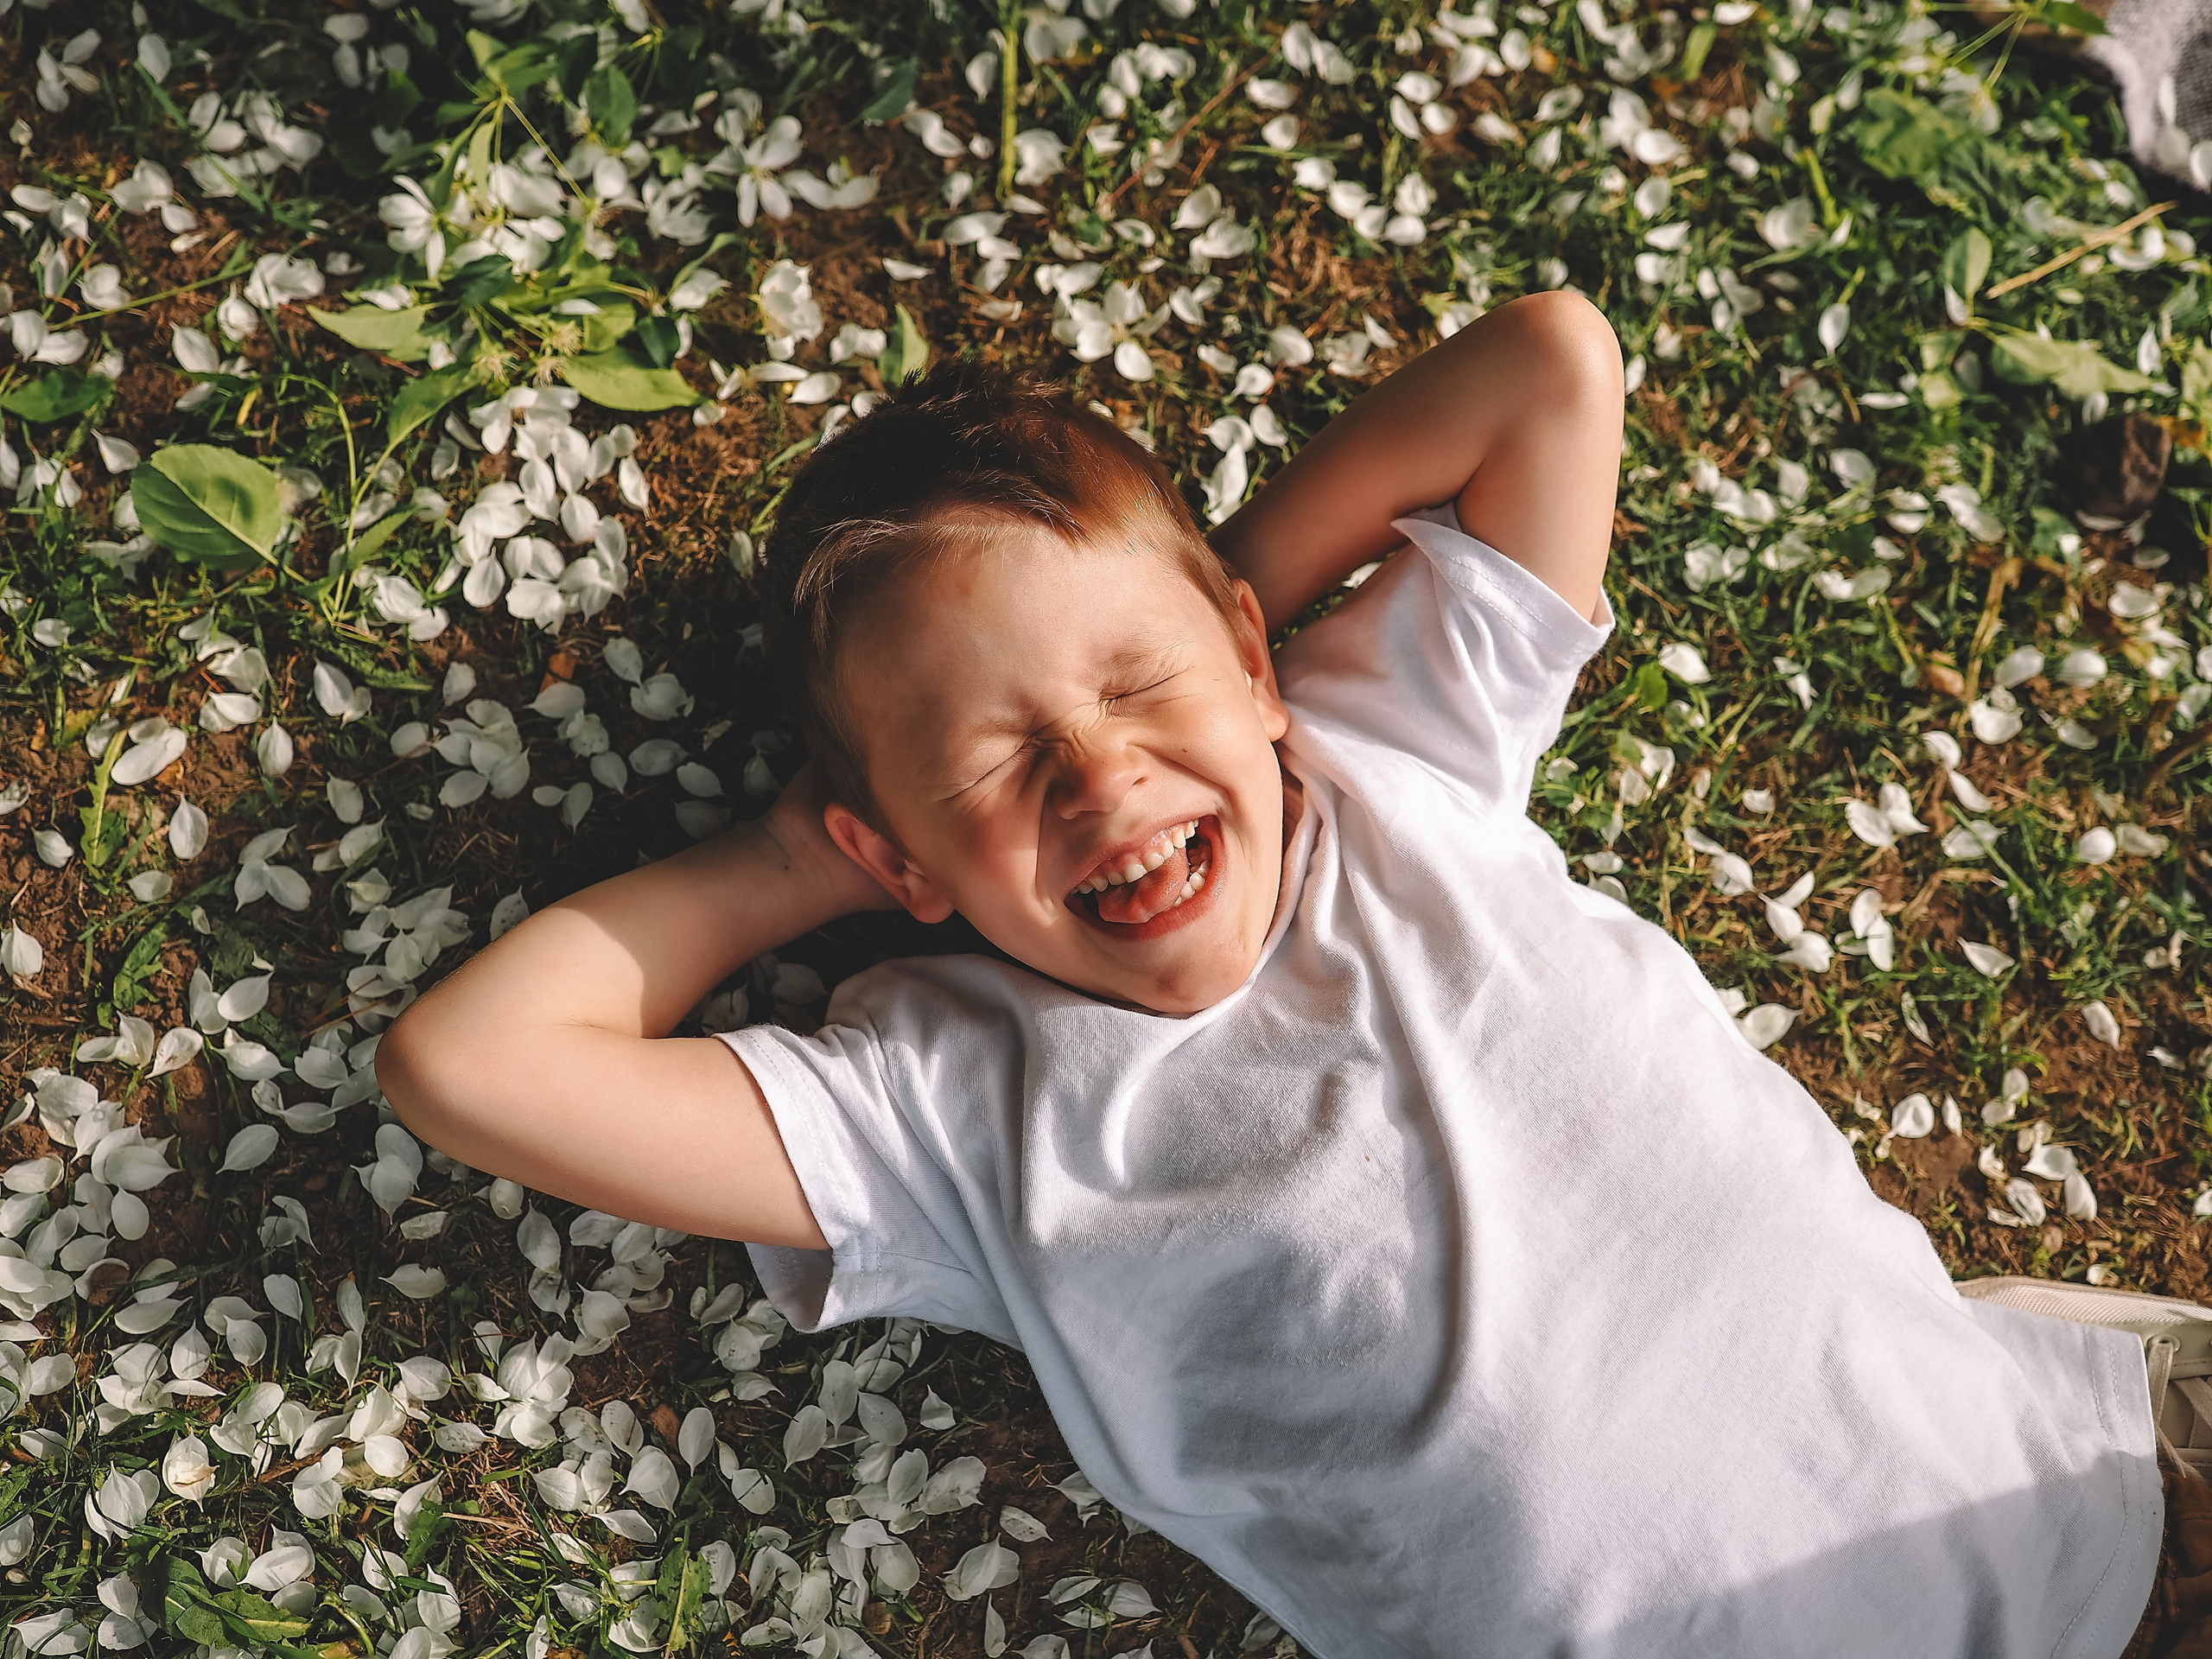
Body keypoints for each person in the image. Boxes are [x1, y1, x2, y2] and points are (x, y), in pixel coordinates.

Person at [377, 294, 2209, 1656]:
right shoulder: (941, 1111)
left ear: (1259, 665)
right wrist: (798, 861)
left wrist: (1220, 656)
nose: (1098, 781)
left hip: (2093, 1502)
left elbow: (1548, 364)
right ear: (897, 859)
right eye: (990, 767)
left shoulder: (1386, 757)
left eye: (1131, 688)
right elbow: (472, 1066)